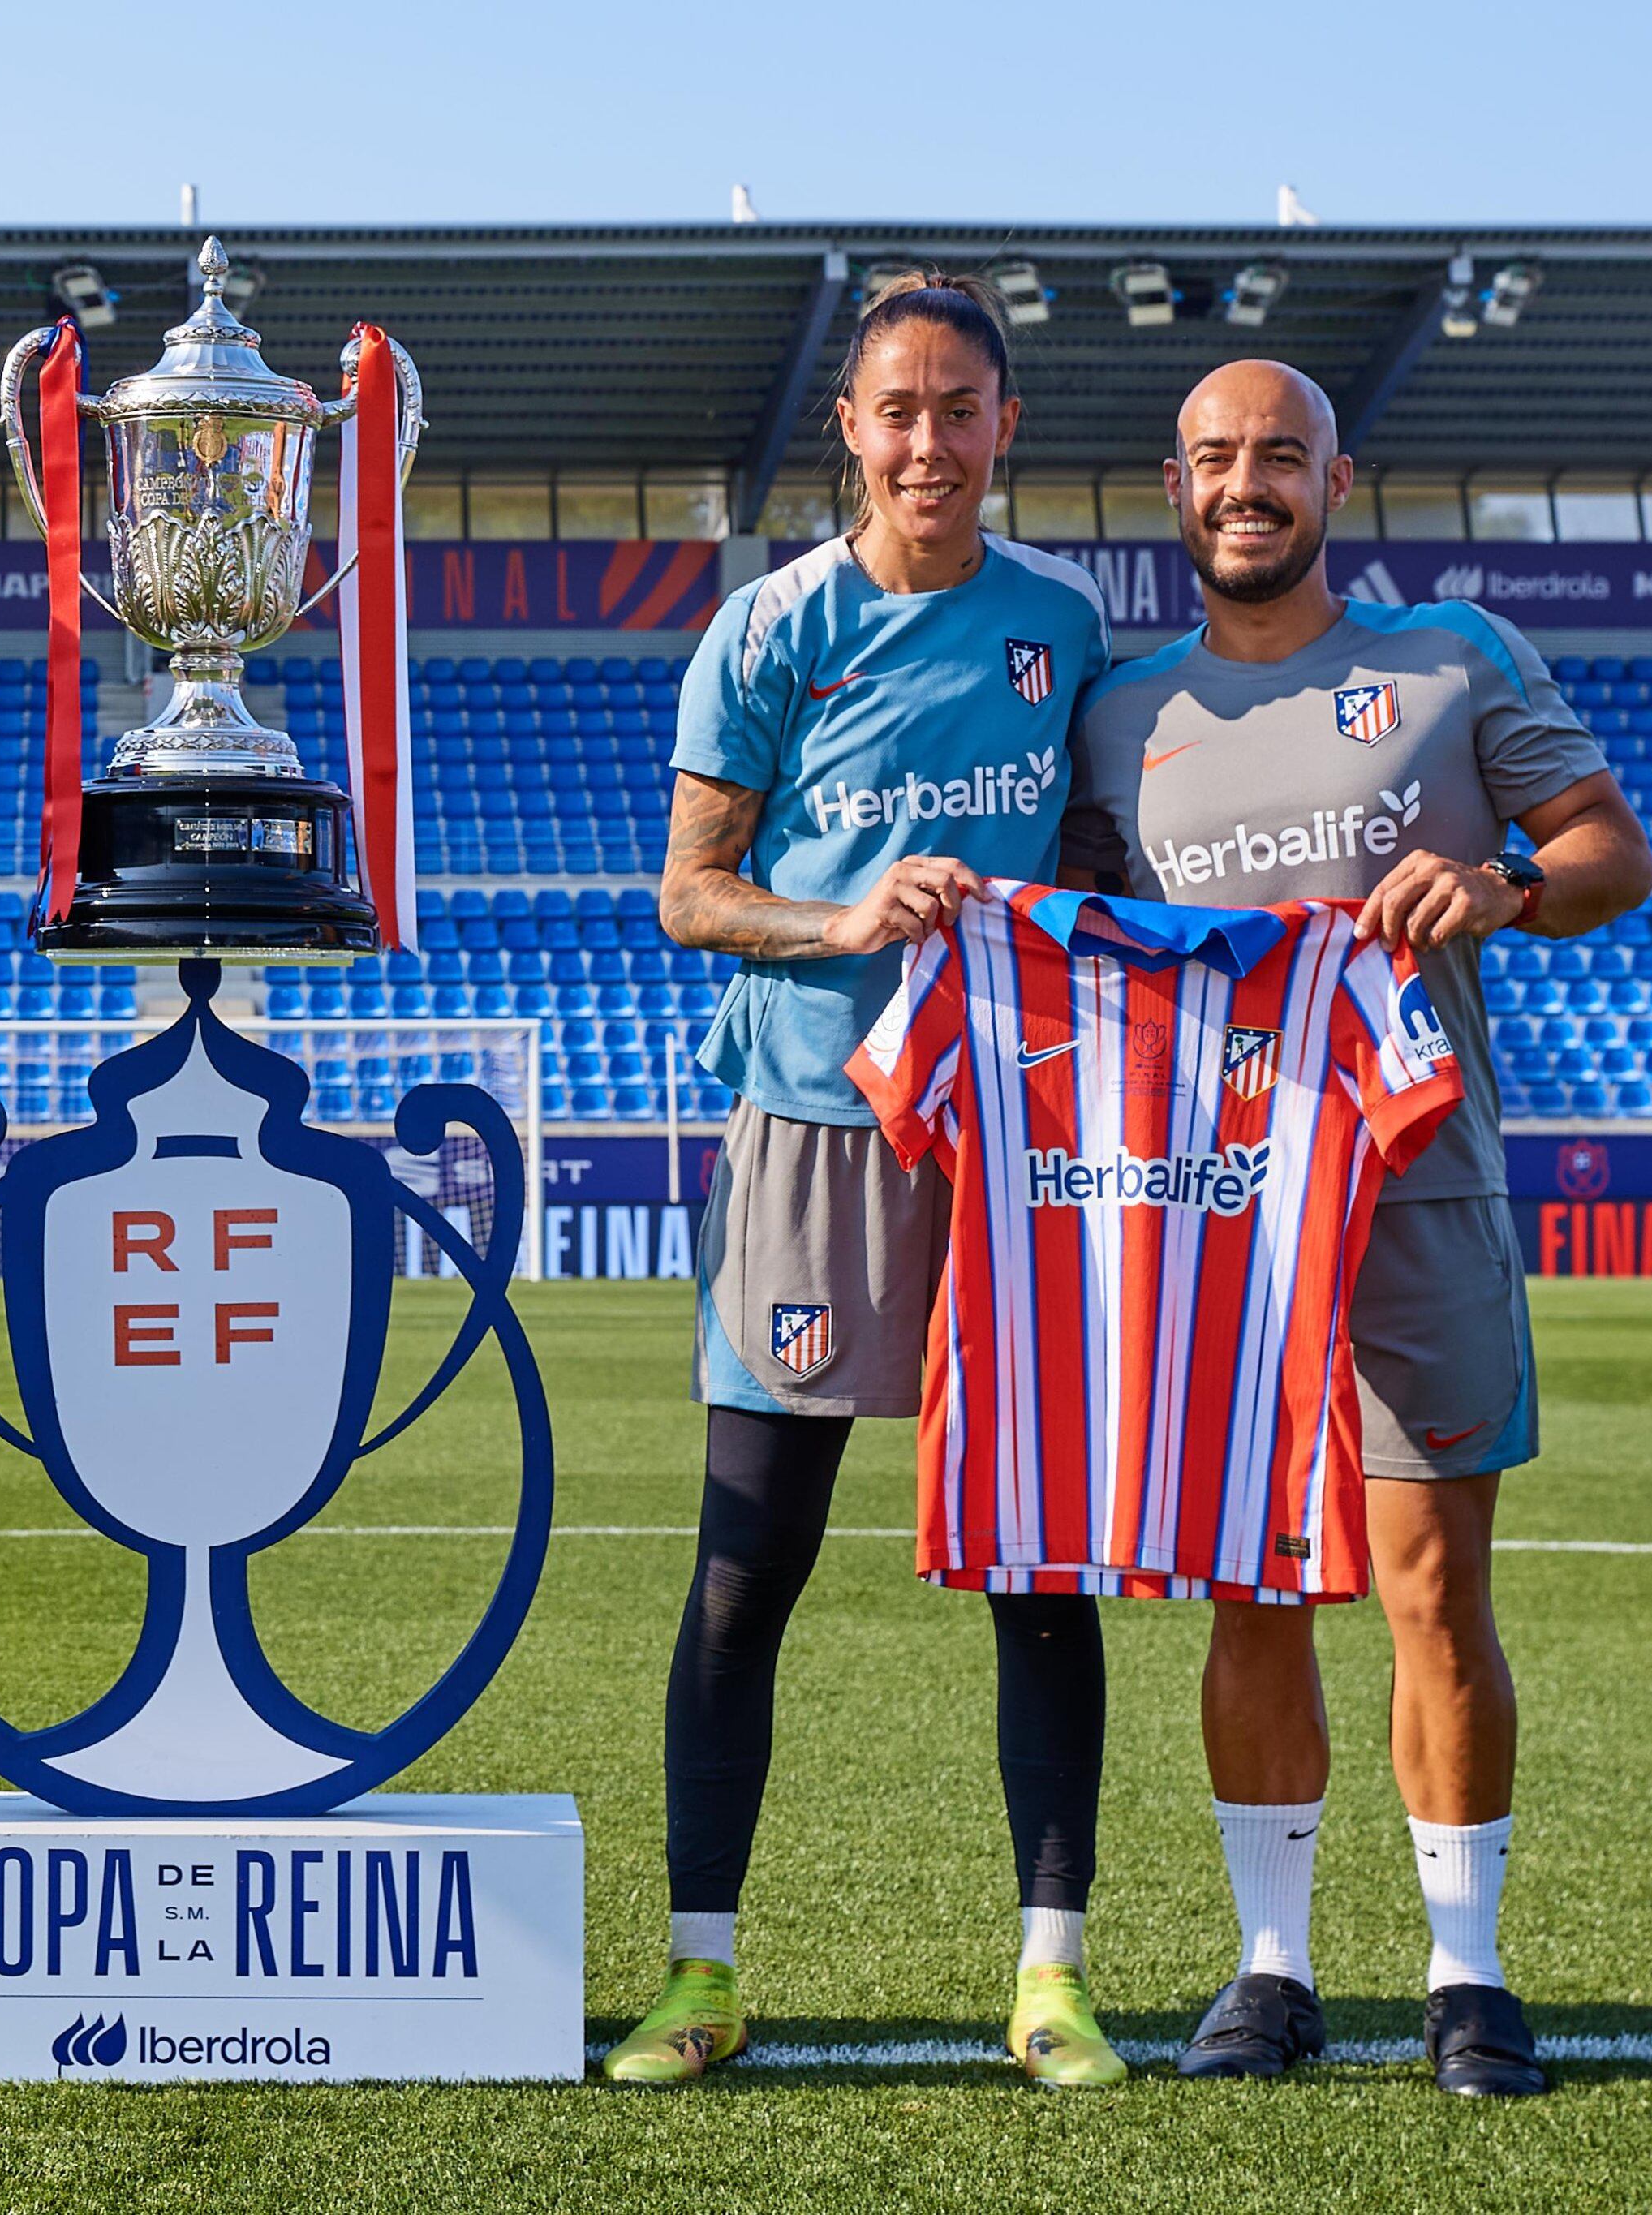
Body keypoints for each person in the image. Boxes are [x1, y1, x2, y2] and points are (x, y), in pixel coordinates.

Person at [1073, 359, 1652, 2097]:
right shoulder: (1118, 712)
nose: (1245, 482)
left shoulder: (1454, 656)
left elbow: (1613, 851)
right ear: (1174, 487)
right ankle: (1270, 1970)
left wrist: (1502, 884)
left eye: (1280, 455)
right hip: (1215, 1219)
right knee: (1250, 1592)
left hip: (1419, 1189)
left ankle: (1465, 1974)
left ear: (1337, 479)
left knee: (1431, 1588)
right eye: (1215, 458)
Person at [610, 272, 1125, 2088]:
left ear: (1003, 428)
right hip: (816, 1125)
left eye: (958, 409)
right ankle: (698, 1973)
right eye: (896, 410)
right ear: (849, 428)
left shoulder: (1060, 621)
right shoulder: (767, 629)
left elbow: (1099, 856)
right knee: (745, 1568)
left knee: (1038, 1568)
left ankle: (1050, 1979)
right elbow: (690, 895)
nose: (928, 442)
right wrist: (840, 918)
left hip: (1012, 1140)